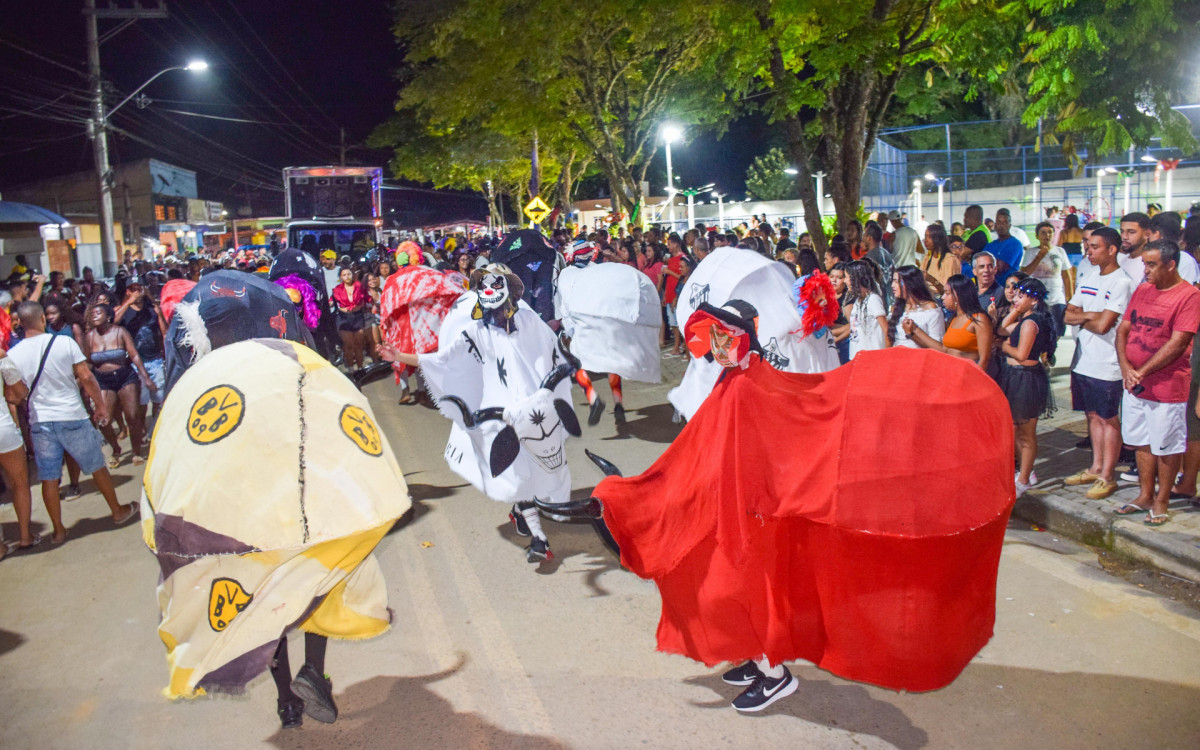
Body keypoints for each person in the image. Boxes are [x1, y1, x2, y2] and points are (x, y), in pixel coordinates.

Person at [378, 264, 579, 563]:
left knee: (547, 466)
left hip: (536, 408)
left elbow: (550, 348)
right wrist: (400, 356)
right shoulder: (475, 330)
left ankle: (526, 513)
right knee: (515, 474)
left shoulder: (528, 319)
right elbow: (441, 358)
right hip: (504, 415)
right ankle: (539, 538)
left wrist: (566, 356)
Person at [7, 301, 137, 544]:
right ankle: (118, 511)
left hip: (41, 422)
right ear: (42, 319)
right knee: (96, 466)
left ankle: (58, 530)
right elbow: (86, 376)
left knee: (49, 477)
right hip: (72, 415)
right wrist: (99, 406)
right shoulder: (63, 343)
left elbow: (15, 394)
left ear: (21, 323)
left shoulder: (13, 355)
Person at [1113, 240, 1200, 526]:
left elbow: (1178, 343)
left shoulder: (1189, 296)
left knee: (1166, 445)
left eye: (1151, 265)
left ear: (1171, 264)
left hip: (1167, 387)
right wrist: (1127, 368)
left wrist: (1142, 370)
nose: (1145, 270)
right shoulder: (1143, 289)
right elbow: (1124, 329)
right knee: (1140, 441)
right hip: (1135, 384)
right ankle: (1144, 495)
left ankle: (1162, 501)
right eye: (1144, 264)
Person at [1062, 227, 1132, 500]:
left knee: (1108, 419)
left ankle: (1107, 476)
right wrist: (1092, 313)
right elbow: (1068, 315)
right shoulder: (1090, 275)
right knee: (1091, 416)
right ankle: (1095, 467)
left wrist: (1086, 315)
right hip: (1084, 361)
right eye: (1087, 246)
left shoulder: (1121, 282)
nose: (1088, 252)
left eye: (1094, 247)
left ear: (1112, 249)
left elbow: (1104, 326)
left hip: (1108, 363)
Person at [998, 279, 1058, 496]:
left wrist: (1006, 347)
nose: (1015, 298)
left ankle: (1024, 478)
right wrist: (1016, 309)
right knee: (1013, 429)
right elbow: (1004, 327)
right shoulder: (1026, 319)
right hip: (1015, 377)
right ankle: (1025, 469)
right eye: (1016, 294)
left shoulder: (1032, 323)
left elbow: (1022, 354)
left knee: (1026, 433)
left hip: (1026, 379)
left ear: (1034, 300)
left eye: (1021, 295)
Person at [85, 303, 155, 465]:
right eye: (92, 313)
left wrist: (145, 377)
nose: (94, 315)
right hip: (103, 380)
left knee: (132, 415)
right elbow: (87, 362)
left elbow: (134, 355)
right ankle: (116, 448)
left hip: (125, 377)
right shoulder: (89, 337)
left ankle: (136, 452)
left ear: (108, 316)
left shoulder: (120, 332)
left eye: (98, 313)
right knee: (103, 420)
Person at [903, 274, 993, 369]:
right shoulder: (954, 319)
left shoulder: (979, 319)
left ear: (958, 295)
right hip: (951, 370)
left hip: (969, 372)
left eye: (947, 293)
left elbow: (985, 359)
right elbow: (944, 349)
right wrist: (914, 330)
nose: (943, 297)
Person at [1021, 221, 1073, 337]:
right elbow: (1024, 273)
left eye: (1050, 232)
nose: (1047, 236)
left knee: (1058, 328)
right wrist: (1039, 256)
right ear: (1037, 236)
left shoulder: (1060, 251)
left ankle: (1050, 352)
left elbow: (1066, 275)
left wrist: (1069, 297)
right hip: (1036, 298)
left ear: (1054, 235)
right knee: (1039, 329)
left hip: (1056, 297)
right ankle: (1044, 352)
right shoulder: (1031, 252)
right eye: (1043, 233)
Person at [889, 266, 945, 348]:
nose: (892, 285)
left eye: (896, 282)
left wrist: (913, 333)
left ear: (909, 283)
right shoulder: (897, 308)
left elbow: (938, 348)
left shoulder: (930, 309)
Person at [845, 259, 889, 356]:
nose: (845, 281)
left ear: (855, 278)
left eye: (846, 277)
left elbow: (886, 330)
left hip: (873, 357)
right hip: (856, 356)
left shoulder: (873, 299)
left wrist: (887, 357)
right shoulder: (857, 302)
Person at [332, 267, 369, 370]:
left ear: (352, 275)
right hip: (344, 318)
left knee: (358, 344)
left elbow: (365, 299)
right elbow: (334, 304)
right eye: (344, 275)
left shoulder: (359, 286)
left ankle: (361, 368)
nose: (347, 277)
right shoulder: (337, 289)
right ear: (341, 277)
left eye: (349, 274)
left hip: (358, 316)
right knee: (348, 344)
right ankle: (351, 370)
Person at [661, 234, 688, 357]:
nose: (668, 247)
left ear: (676, 244)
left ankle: (678, 346)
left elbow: (683, 278)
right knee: (673, 323)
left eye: (669, 244)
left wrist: (669, 272)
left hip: (678, 296)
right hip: (670, 295)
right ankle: (678, 346)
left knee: (678, 323)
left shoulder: (683, 259)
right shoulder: (671, 259)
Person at [919, 223, 961, 295]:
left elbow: (947, 291)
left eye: (929, 237)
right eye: (925, 237)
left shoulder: (949, 259)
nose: (926, 240)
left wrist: (931, 279)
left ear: (938, 239)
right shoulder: (927, 257)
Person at [983, 209, 1022, 285]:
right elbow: (980, 264)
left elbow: (1000, 268)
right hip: (989, 288)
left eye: (1004, 222)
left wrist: (986, 262)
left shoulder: (1015, 244)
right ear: (995, 225)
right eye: (999, 222)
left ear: (1009, 225)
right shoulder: (990, 245)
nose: (1001, 225)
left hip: (1008, 290)